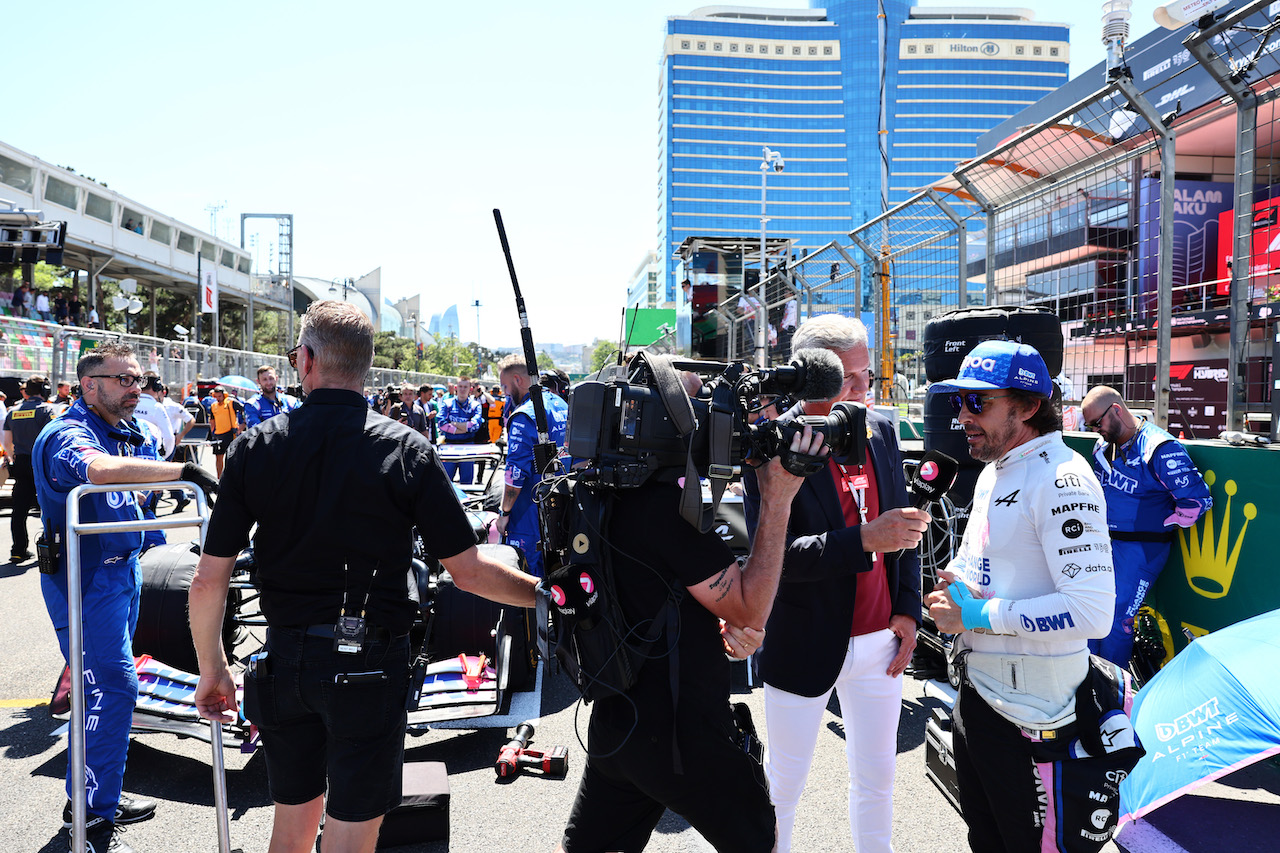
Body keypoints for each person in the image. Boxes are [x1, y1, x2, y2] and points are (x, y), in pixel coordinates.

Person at [188, 301, 539, 853]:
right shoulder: (407, 449)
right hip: (370, 664)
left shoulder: (253, 446)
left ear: (304, 360)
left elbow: (208, 580)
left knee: (294, 823)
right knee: (352, 834)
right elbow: (469, 573)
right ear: (367, 368)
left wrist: (213, 669)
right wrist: (544, 595)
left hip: (283, 660)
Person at [555, 422, 825, 853]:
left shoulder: (587, 493)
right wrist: (778, 499)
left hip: (616, 722)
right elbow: (749, 608)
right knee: (762, 843)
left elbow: (647, 586)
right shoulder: (669, 508)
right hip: (685, 734)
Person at [742, 315, 927, 853]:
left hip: (880, 642)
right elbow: (773, 561)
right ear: (809, 379)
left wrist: (908, 611)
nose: (864, 390)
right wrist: (864, 539)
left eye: (867, 376)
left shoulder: (881, 432)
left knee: (878, 780)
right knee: (784, 785)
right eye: (849, 380)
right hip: (804, 637)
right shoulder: (775, 444)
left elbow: (904, 530)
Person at [924, 340, 1118, 852]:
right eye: (958, 402)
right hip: (980, 695)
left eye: (979, 402)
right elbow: (980, 566)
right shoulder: (994, 469)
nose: (963, 415)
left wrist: (977, 613)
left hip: (1037, 712)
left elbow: (1092, 612)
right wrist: (956, 588)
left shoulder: (1063, 478)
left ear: (1029, 406)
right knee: (986, 840)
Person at [33, 341, 218, 853]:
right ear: (89, 386)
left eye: (138, 380)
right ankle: (89, 815)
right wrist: (184, 471)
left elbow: (135, 499)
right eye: (124, 380)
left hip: (124, 573)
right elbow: (100, 473)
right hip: (84, 581)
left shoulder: (128, 431)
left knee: (113, 689)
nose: (136, 389)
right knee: (111, 691)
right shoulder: (66, 434)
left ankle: (97, 796)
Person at [1080, 386, 1211, 667]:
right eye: (1089, 425)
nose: (1094, 430)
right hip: (1104, 544)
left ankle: (1112, 696)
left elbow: (1197, 500)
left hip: (1141, 548)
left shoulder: (1158, 447)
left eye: (1096, 423)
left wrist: (1169, 520)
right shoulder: (1103, 446)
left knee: (1118, 621)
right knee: (1091, 612)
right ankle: (1085, 683)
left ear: (1116, 410)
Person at [495, 356, 569, 578]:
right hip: (565, 503)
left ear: (517, 380)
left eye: (505, 386)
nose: (506, 392)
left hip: (530, 508)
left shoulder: (524, 414)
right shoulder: (561, 404)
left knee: (528, 578)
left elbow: (515, 474)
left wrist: (503, 512)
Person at [3, 376, 58, 563]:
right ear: (44, 390)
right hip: (42, 464)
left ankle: (18, 550)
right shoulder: (47, 410)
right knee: (48, 508)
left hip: (20, 463)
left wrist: (13, 457)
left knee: (19, 510)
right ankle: (49, 548)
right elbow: (53, 441)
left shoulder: (13, 411)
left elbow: (6, 443)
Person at [438, 375, 483, 484]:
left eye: (465, 387)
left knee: (467, 482)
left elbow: (475, 425)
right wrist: (464, 428)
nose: (462, 389)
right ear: (456, 387)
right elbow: (441, 423)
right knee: (445, 482)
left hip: (468, 446)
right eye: (460, 386)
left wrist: (453, 424)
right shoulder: (447, 403)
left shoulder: (475, 405)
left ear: (470, 389)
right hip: (449, 446)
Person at [159, 383, 196, 512]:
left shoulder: (172, 406)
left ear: (163, 392)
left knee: (161, 470)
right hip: (157, 439)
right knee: (164, 471)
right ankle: (180, 496)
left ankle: (157, 500)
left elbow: (191, 419)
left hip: (169, 440)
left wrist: (181, 435)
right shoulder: (153, 405)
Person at [207, 386, 240, 478]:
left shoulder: (231, 403)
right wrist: (212, 433)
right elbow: (212, 420)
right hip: (218, 434)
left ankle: (232, 477)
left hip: (230, 433)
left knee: (231, 457)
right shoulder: (213, 406)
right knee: (218, 457)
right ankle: (219, 478)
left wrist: (242, 425)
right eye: (216, 396)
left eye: (220, 396)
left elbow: (244, 409)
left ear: (224, 395)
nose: (218, 398)